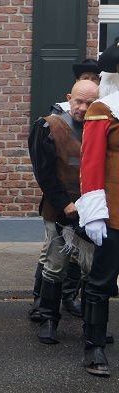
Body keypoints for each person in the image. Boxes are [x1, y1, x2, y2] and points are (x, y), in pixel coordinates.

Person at [28, 60, 101, 322]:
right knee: (54, 260)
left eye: (90, 103)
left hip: (91, 210)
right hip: (58, 209)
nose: (83, 108)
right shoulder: (49, 126)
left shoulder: (102, 127)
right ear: (70, 98)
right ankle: (44, 311)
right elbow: (44, 173)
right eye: (79, 102)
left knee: (84, 264)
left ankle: (72, 302)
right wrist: (64, 204)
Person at [75, 40, 119, 376]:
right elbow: (90, 163)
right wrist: (94, 212)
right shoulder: (103, 109)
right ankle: (94, 347)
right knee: (101, 282)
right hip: (113, 212)